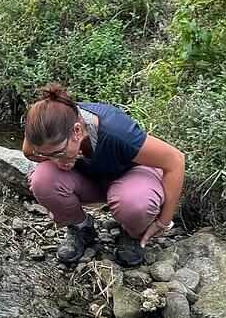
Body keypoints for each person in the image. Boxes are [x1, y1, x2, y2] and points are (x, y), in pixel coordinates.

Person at [22, 84, 185, 267]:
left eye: (57, 152)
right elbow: (28, 152)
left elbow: (175, 161)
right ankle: (81, 228)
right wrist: (56, 159)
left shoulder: (116, 131)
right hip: (93, 179)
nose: (51, 157)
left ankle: (132, 233)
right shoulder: (44, 127)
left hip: (132, 175)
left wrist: (163, 222)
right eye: (47, 153)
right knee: (42, 179)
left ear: (76, 131)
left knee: (134, 202)